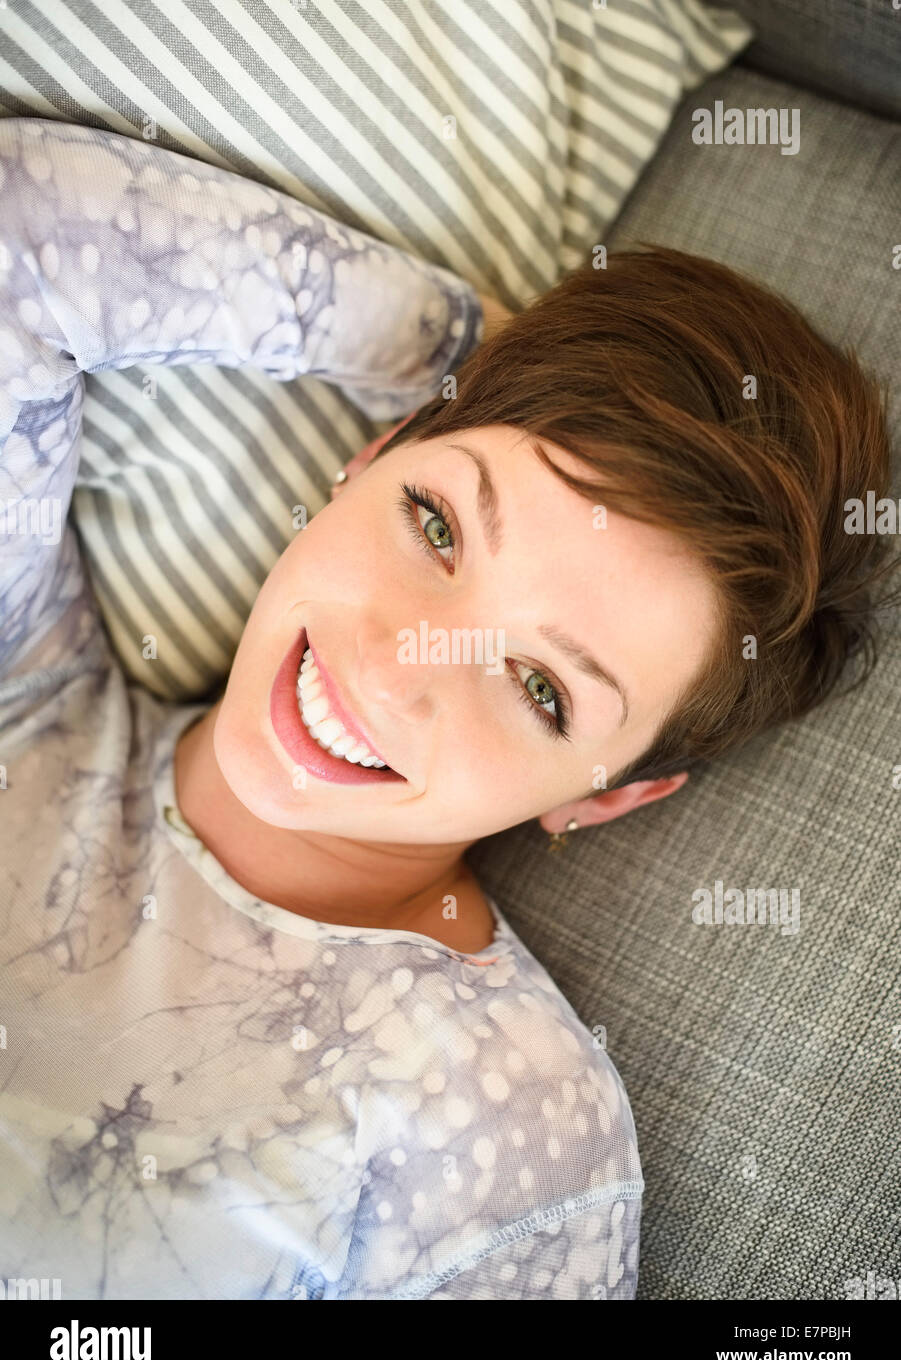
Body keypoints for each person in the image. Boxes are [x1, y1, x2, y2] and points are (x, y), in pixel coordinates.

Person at [0, 116, 893, 1300]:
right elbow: (26, 222)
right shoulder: (30, 675)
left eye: (540, 687)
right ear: (368, 457)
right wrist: (462, 349)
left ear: (612, 793)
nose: (400, 662)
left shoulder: (503, 1127)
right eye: (438, 523)